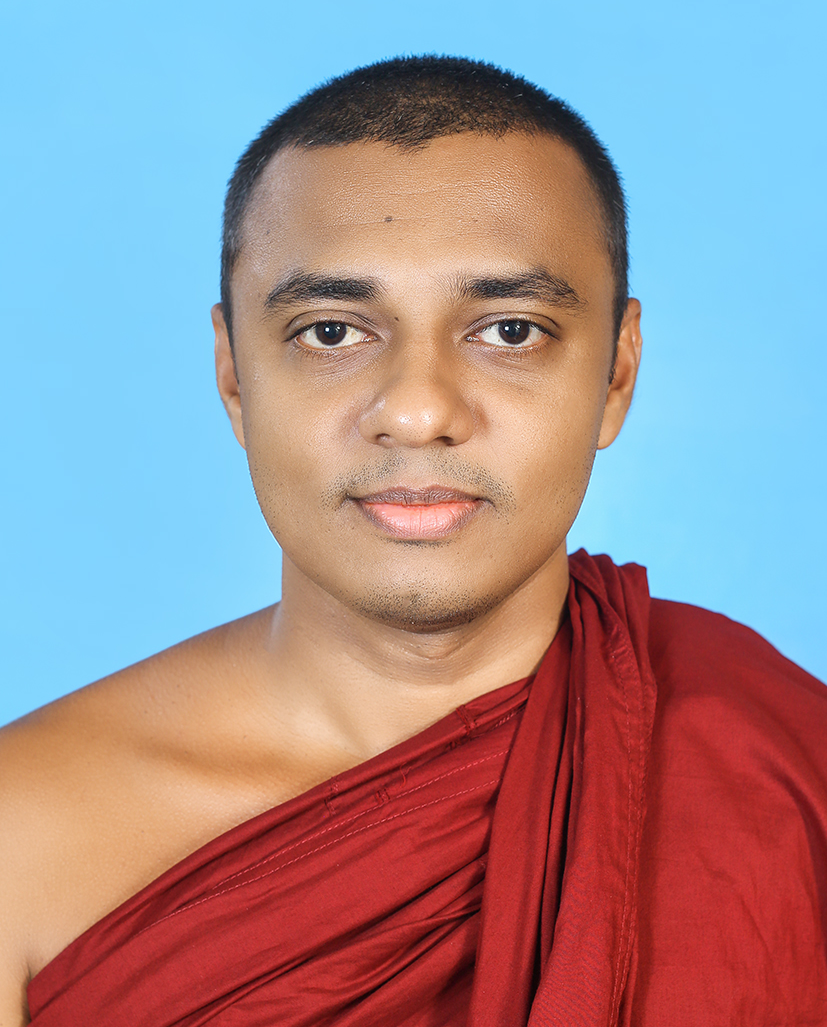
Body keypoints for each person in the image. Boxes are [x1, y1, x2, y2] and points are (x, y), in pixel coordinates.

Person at [1, 55, 825, 1027]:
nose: (419, 410)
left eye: (509, 330)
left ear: (616, 373)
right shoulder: (25, 836)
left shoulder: (782, 764)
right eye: (330, 332)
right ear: (232, 375)